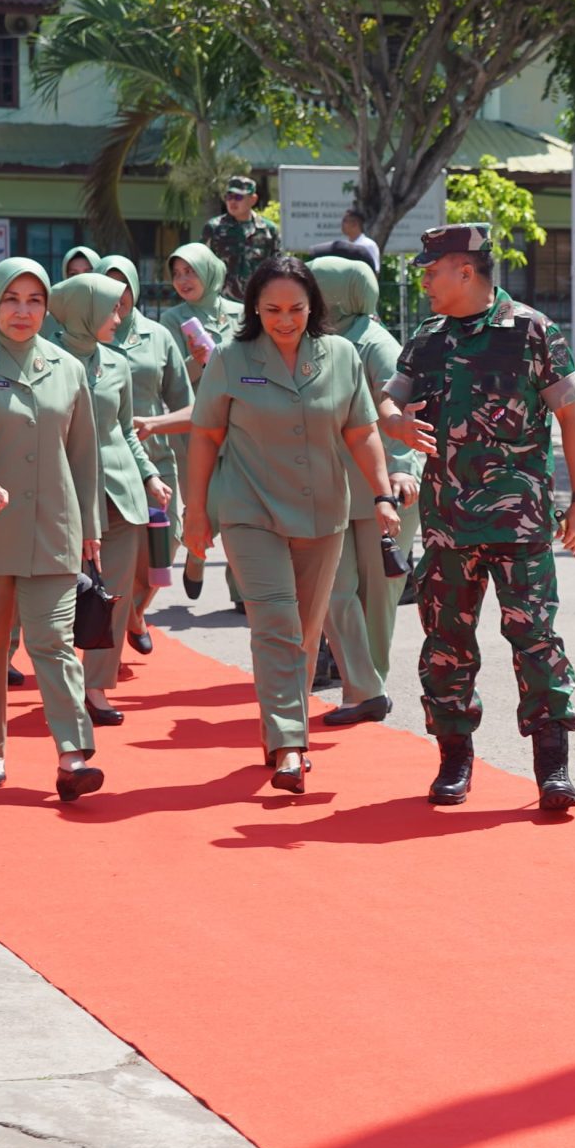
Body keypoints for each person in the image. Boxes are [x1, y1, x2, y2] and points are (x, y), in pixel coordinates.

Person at [157, 256, 401, 793]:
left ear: (314, 305)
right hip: (250, 511)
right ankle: (290, 745)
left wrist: (383, 494)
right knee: (275, 626)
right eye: (272, 310)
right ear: (254, 309)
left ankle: (281, 731)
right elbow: (204, 435)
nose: (284, 319)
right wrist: (196, 512)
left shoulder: (340, 356)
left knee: (307, 633)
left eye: (295, 308)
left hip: (323, 513)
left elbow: (361, 432)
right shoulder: (230, 358)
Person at [382, 225, 575, 811]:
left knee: (537, 641)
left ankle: (552, 768)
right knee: (446, 645)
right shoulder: (426, 340)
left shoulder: (531, 331)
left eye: (432, 269)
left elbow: (573, 417)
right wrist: (394, 421)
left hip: (520, 525)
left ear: (465, 271)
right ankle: (455, 761)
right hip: (448, 527)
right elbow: (387, 399)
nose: (423, 279)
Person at [0, 258, 105, 799]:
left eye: (34, 300)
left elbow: (84, 456)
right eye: (11, 299)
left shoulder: (68, 367)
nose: (23, 311)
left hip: (52, 528)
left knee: (53, 641)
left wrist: (90, 527)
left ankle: (73, 755)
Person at [48, 270, 170, 726]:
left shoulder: (118, 363)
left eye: (122, 306)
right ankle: (60, 685)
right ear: (84, 310)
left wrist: (149, 474)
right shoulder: (46, 359)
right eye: (110, 308)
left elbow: (125, 430)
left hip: (119, 496)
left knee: (111, 595)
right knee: (58, 597)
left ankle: (96, 689)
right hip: (62, 495)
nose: (120, 317)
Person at [313, 251, 420, 727]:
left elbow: (401, 410)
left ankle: (364, 688)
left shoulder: (377, 343)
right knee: (334, 592)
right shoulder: (326, 339)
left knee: (378, 599)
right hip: (337, 487)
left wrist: (401, 467)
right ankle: (367, 687)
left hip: (384, 491)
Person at [102, 254, 189, 655]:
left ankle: (134, 613)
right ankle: (113, 636)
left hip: (157, 460)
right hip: (108, 466)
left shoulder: (158, 336)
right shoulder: (89, 335)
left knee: (164, 547)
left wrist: (155, 424)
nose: (117, 296)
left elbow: (186, 404)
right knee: (117, 558)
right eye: (108, 285)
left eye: (124, 286)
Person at [159, 240, 243, 602]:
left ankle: (241, 589)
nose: (183, 280)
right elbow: (175, 380)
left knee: (243, 501)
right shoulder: (172, 320)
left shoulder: (243, 312)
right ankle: (196, 551)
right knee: (204, 499)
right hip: (197, 420)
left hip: (242, 417)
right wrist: (197, 360)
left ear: (209, 270)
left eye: (190, 270)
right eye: (177, 274)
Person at [202, 173, 280, 297]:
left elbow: (277, 269)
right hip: (223, 303)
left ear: (253, 199)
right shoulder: (214, 228)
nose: (232, 201)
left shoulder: (269, 230)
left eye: (238, 197)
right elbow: (202, 266)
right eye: (229, 196)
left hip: (257, 302)